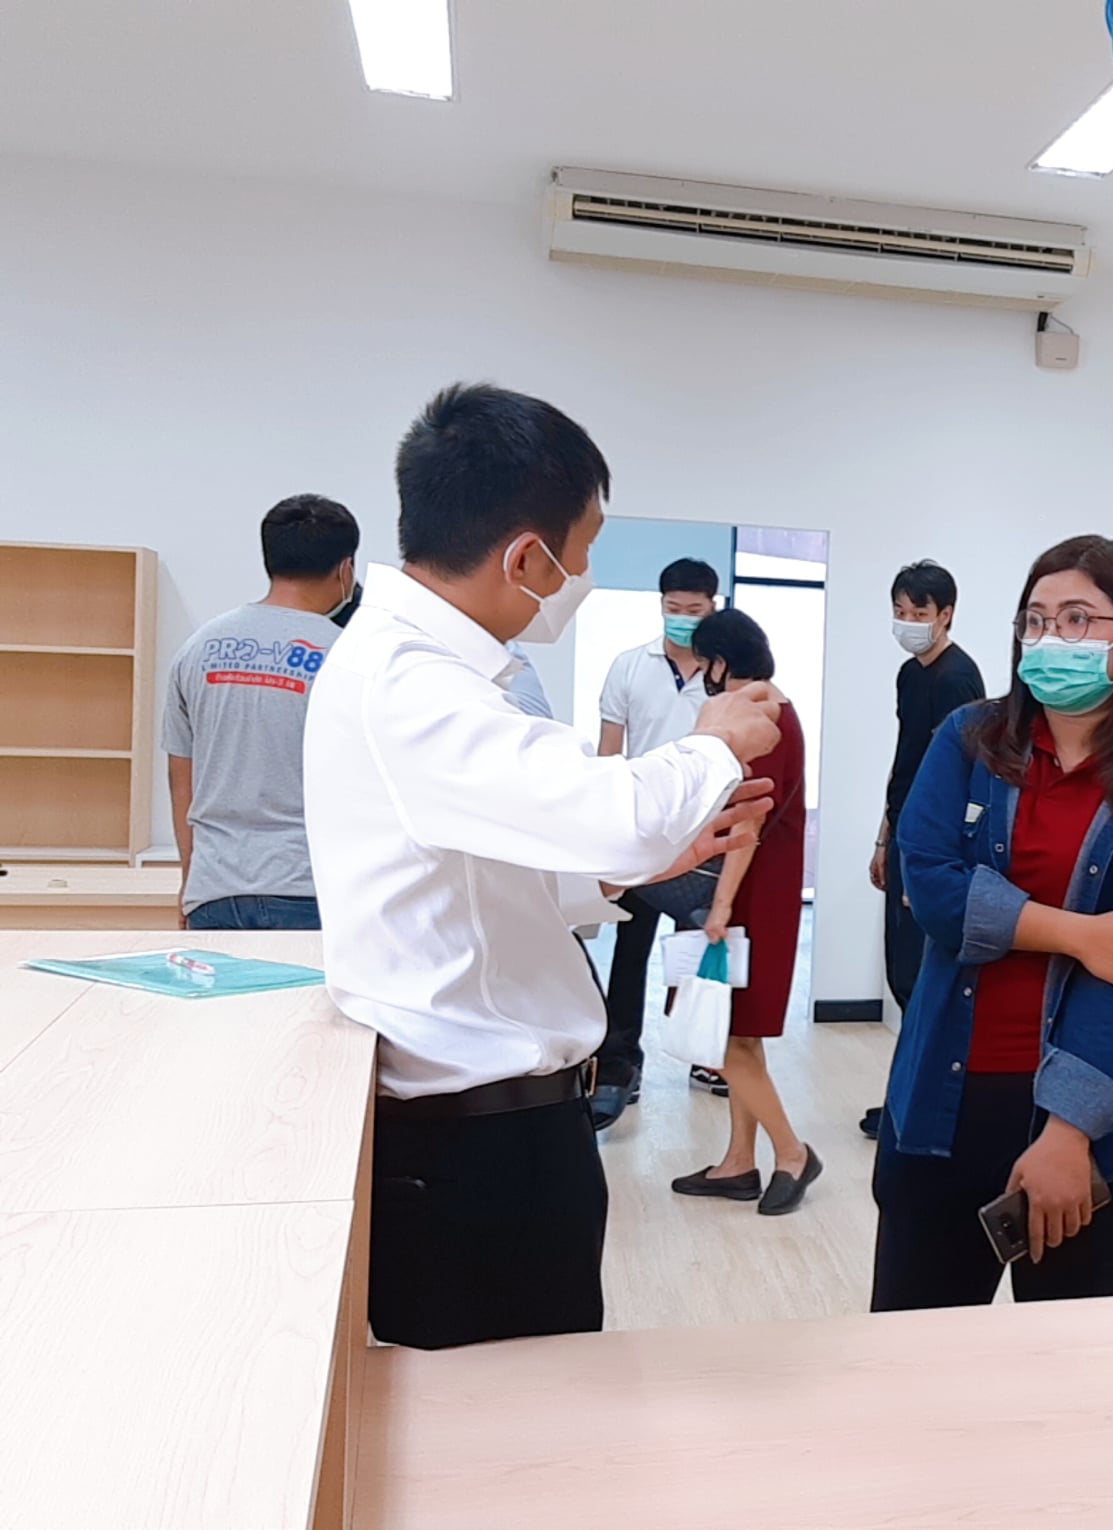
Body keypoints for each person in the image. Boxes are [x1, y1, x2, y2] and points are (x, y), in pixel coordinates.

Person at [302, 382, 782, 1351]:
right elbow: (613, 811)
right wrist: (717, 740)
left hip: (498, 1127)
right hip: (472, 1142)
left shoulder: (426, 670)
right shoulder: (412, 684)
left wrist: (621, 869)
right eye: (584, 550)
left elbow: (485, 864)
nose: (586, 576)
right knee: (515, 1409)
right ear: (527, 558)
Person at [871, 535, 1113, 1310]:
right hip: (946, 1100)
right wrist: (1080, 934)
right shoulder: (968, 741)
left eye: (1077, 619)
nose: (1049, 637)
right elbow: (931, 889)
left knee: (1065, 1360)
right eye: (1034, 619)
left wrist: (1069, 1132)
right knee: (912, 1348)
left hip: (1099, 1118)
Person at [668, 609, 822, 1215]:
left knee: (730, 1039)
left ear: (722, 661)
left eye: (703, 661)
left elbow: (748, 822)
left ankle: (792, 1153)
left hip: (752, 890)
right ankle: (738, 1161)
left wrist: (721, 906)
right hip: (764, 886)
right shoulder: (777, 708)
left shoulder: (762, 719)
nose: (701, 674)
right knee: (740, 1036)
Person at [164, 494, 358, 931]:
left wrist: (190, 882)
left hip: (214, 891)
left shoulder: (198, 648)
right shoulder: (350, 657)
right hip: (312, 891)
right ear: (345, 569)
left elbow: (182, 780)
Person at [592, 557, 726, 1126]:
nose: (683, 618)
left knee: (704, 949)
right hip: (641, 833)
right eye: (674, 608)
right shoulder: (630, 666)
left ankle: (707, 1055)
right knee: (630, 952)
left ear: (713, 608)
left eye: (694, 610)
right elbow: (609, 754)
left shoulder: (725, 674)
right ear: (661, 605)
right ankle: (620, 1062)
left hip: (706, 835)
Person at [860, 560, 985, 1139]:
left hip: (934, 844)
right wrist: (885, 838)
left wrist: (937, 863)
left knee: (922, 979)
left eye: (919, 613)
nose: (907, 622)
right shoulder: (911, 675)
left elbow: (963, 775)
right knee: (902, 975)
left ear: (946, 615)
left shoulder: (958, 679)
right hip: (905, 833)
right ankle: (905, 1099)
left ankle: (920, 1106)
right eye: (900, 612)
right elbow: (904, 760)